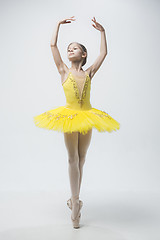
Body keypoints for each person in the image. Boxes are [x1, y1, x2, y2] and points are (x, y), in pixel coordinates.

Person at [33, 16, 120, 228]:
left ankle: (75, 200)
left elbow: (103, 54)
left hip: (88, 116)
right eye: (68, 48)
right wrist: (57, 25)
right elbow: (53, 45)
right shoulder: (64, 71)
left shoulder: (89, 73)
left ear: (84, 54)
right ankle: (75, 208)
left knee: (82, 158)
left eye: (74, 48)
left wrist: (103, 32)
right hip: (70, 117)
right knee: (72, 159)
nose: (69, 50)